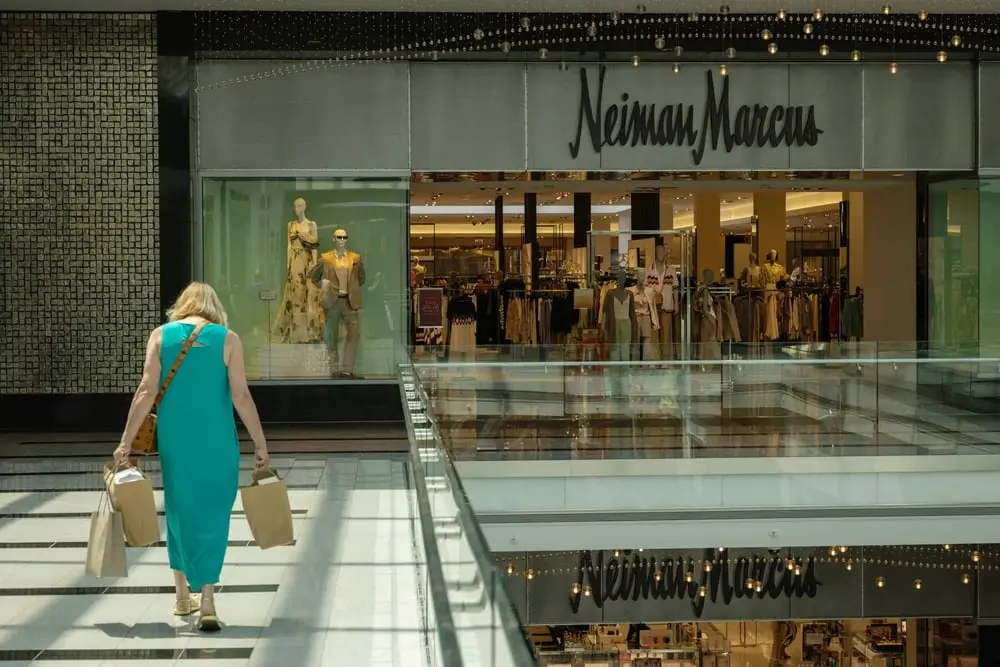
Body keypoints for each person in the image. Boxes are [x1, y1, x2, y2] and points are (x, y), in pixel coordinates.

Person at [113, 282, 270, 632]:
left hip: (176, 441)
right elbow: (241, 396)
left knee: (180, 510)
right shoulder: (227, 339)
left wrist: (125, 443)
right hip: (217, 442)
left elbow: (145, 391)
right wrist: (260, 443)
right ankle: (209, 600)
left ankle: (182, 595)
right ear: (214, 307)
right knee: (214, 515)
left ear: (181, 305)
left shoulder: (160, 336)